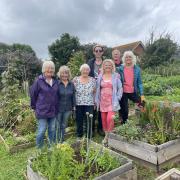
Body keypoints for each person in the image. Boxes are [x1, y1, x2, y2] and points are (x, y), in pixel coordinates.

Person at [30, 60, 59, 148]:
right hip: (42, 111)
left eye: (51, 69)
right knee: (42, 130)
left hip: (53, 110)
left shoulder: (55, 81)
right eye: (47, 68)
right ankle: (39, 148)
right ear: (44, 70)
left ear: (53, 70)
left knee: (52, 130)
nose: (49, 70)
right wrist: (33, 107)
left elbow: (57, 95)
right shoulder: (38, 81)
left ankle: (51, 146)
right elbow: (33, 94)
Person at [95, 59, 123, 142]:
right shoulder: (100, 76)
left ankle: (107, 136)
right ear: (103, 66)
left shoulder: (116, 76)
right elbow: (97, 88)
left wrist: (118, 98)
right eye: (106, 65)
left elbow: (120, 88)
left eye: (109, 65)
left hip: (112, 101)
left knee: (109, 119)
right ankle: (107, 134)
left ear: (112, 66)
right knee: (103, 119)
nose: (107, 66)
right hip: (103, 101)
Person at [117, 51, 145, 124]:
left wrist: (142, 94)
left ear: (133, 58)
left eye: (130, 57)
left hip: (132, 91)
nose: (128, 58)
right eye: (126, 57)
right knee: (125, 110)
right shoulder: (120, 69)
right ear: (124, 58)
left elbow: (140, 83)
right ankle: (124, 124)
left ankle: (143, 119)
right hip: (123, 92)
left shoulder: (137, 69)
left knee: (142, 103)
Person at [73, 64, 96, 138]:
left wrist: (95, 103)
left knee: (89, 119)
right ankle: (79, 134)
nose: (85, 71)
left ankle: (89, 134)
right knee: (79, 119)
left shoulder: (93, 80)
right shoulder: (75, 79)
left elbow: (95, 92)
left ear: (89, 71)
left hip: (89, 103)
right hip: (78, 103)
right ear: (81, 70)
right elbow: (72, 92)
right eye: (84, 69)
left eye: (87, 70)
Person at [87, 44, 104, 135]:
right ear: (94, 52)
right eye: (96, 50)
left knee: (101, 108)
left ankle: (100, 129)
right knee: (92, 109)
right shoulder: (90, 62)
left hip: (103, 89)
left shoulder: (105, 62)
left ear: (102, 52)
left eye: (100, 51)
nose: (98, 52)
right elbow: (86, 73)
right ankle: (91, 129)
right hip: (93, 88)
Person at [56, 65, 76, 143]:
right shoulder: (57, 84)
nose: (64, 75)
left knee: (64, 125)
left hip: (68, 108)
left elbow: (73, 96)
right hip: (58, 108)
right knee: (57, 125)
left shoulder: (71, 84)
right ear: (60, 74)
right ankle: (56, 140)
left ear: (68, 74)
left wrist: (74, 107)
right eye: (63, 73)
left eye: (66, 73)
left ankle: (61, 140)